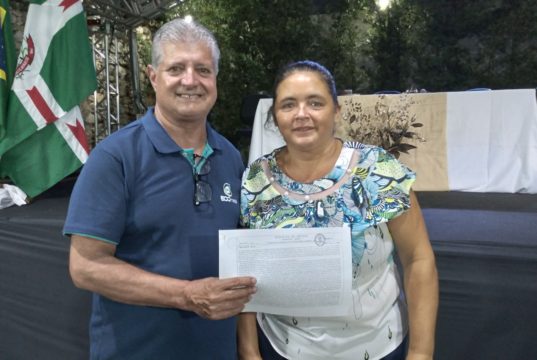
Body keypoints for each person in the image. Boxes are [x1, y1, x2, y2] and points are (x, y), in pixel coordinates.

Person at [63, 18, 257, 359]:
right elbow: (85, 267)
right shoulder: (115, 157)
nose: (190, 81)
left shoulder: (230, 157)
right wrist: (186, 295)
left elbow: (243, 262)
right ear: (153, 77)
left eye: (203, 70)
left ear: (215, 80)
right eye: (176, 68)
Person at [238, 60, 438, 360]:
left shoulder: (377, 170)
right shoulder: (256, 179)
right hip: (283, 347)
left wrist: (421, 353)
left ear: (336, 110)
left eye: (315, 102)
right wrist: (250, 350)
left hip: (376, 346)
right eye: (288, 104)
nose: (301, 114)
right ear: (275, 117)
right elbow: (245, 272)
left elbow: (418, 259)